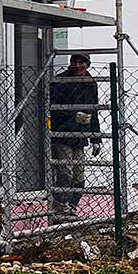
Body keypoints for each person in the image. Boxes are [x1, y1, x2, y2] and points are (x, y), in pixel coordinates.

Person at [48, 53, 97, 219]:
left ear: (87, 64)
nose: (77, 65)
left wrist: (96, 138)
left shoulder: (91, 83)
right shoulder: (60, 81)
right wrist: (73, 114)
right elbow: (51, 107)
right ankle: (59, 209)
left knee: (79, 177)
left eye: (81, 62)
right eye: (74, 62)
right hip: (62, 134)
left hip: (80, 136)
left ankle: (72, 208)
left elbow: (94, 111)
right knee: (65, 174)